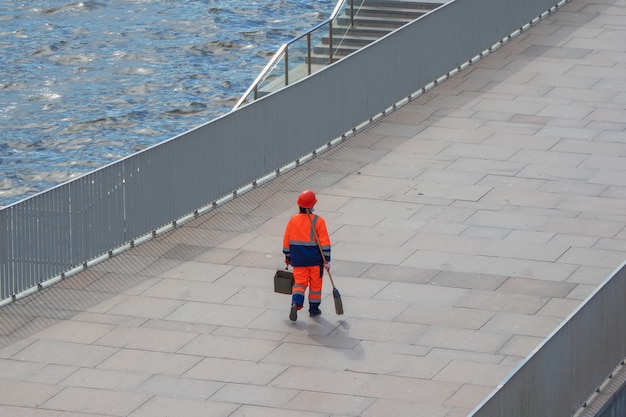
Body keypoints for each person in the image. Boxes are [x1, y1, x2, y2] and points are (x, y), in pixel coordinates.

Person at [282, 190, 331, 321]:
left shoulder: (292, 221)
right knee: (315, 285)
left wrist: (287, 256)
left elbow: (286, 241)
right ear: (312, 205)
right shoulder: (319, 221)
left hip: (298, 260)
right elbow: (325, 243)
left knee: (300, 283)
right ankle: (314, 309)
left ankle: (296, 303)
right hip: (315, 260)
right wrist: (327, 260)